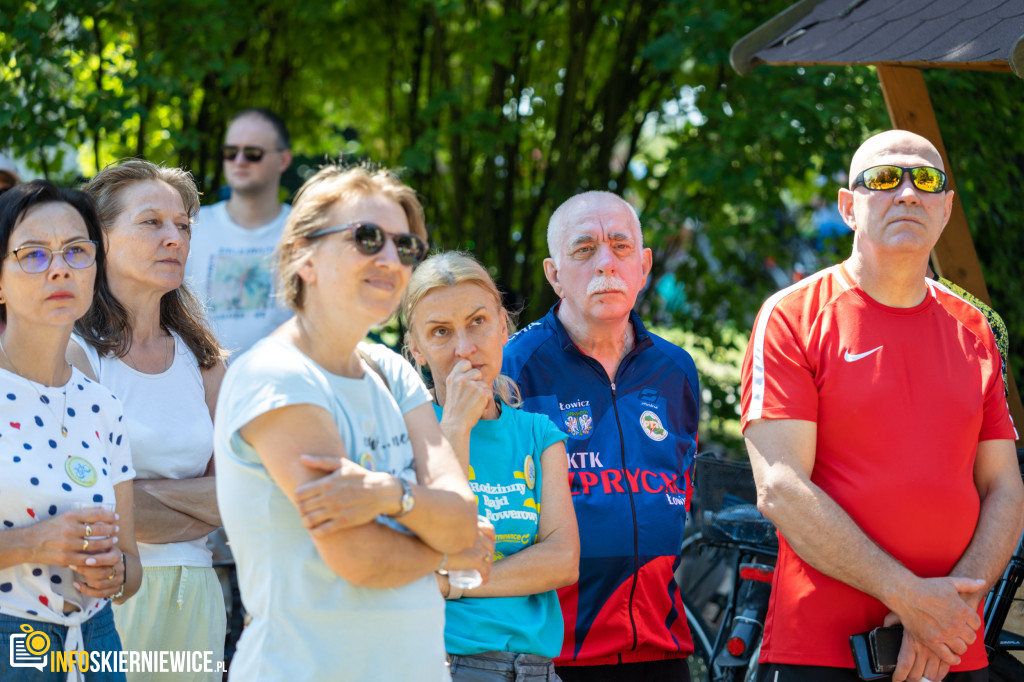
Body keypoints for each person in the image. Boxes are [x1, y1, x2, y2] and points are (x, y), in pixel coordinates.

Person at [741, 130, 1024, 682]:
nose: (908, 193)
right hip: (822, 654)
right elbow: (780, 487)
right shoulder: (793, 315)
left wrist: (952, 609)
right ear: (848, 206)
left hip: (951, 653)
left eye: (927, 181)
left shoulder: (976, 331)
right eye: (885, 178)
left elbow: (1005, 487)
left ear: (945, 210)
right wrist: (911, 598)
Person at [214, 164, 490, 681]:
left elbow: (461, 512)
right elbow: (362, 557)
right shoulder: (276, 375)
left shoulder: (392, 371)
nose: (391, 259)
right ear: (304, 256)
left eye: (405, 246)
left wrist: (390, 496)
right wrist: (447, 543)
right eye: (367, 238)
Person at [502, 191, 701, 681]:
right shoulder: (513, 368)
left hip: (661, 651)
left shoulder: (676, 370)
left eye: (620, 246)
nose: (606, 263)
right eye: (584, 249)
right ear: (554, 274)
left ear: (644, 264)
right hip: (551, 655)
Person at [75, 160, 227, 681]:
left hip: (198, 597)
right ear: (101, 239)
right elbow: (82, 507)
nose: (174, 238)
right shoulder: (73, 356)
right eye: (151, 222)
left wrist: (134, 495)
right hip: (102, 598)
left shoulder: (204, 361)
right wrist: (199, 500)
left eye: (182, 225)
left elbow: (242, 495)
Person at [402, 251, 579, 681]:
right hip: (446, 665)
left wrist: (457, 584)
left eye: (478, 321)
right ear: (417, 351)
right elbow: (427, 555)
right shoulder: (403, 431)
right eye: (441, 332)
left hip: (537, 670)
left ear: (504, 326)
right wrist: (456, 427)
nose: (465, 348)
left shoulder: (539, 435)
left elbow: (562, 560)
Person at [0, 181, 141, 681]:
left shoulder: (102, 406)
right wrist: (34, 543)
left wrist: (114, 573)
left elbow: (132, 569)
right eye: (33, 254)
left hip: (96, 646)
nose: (60, 268)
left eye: (77, 251)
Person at [185, 108, 293, 354]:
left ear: (283, 160)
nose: (239, 161)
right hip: (200, 386)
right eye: (230, 152)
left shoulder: (304, 230)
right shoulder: (191, 228)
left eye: (253, 153)